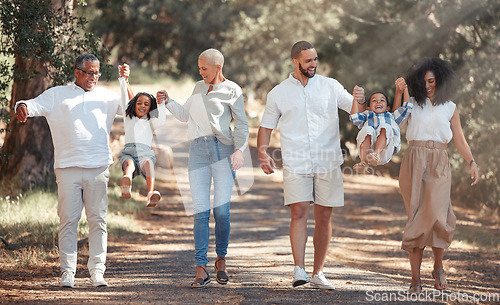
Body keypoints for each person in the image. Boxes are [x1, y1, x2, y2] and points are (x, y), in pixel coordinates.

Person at [15, 54, 131, 288]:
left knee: (98, 221)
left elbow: (132, 109)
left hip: (98, 167)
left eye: (97, 73)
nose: (94, 77)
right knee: (68, 221)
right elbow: (31, 104)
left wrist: (125, 82)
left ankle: (97, 272)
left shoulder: (107, 97)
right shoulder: (57, 94)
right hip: (67, 168)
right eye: (89, 72)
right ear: (77, 72)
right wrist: (22, 107)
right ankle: (67, 272)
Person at [257, 41, 364, 290]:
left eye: (315, 59)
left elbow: (355, 110)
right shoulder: (278, 93)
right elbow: (266, 128)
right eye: (308, 61)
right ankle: (299, 270)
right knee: (299, 212)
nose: (313, 64)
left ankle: (318, 273)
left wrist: (361, 99)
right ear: (296, 61)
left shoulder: (331, 86)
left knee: (324, 217)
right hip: (296, 160)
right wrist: (263, 153)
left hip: (328, 160)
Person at [156, 48, 249, 289]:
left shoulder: (232, 90)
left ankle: (221, 261)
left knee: (222, 212)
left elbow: (241, 125)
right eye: (199, 69)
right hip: (198, 151)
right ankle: (200, 269)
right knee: (200, 211)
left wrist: (239, 150)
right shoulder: (198, 87)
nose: (201, 72)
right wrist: (167, 101)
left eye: (204, 68)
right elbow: (185, 115)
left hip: (223, 152)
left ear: (218, 67)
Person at [399, 58, 479, 294]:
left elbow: (460, 139)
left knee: (439, 216)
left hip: (440, 161)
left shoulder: (451, 107)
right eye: (423, 82)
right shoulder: (412, 103)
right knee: (416, 218)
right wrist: (399, 93)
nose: (427, 86)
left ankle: (438, 268)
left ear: (440, 81)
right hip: (414, 159)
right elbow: (397, 124)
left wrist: (472, 162)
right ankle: (415, 279)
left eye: (431, 81)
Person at [349, 78, 412, 174]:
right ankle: (363, 162)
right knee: (367, 129)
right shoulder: (367, 115)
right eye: (374, 100)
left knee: (385, 126)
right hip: (368, 152)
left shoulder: (392, 117)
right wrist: (355, 99)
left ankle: (376, 154)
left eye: (382, 100)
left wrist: (405, 89)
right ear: (369, 108)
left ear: (388, 108)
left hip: (385, 150)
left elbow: (407, 107)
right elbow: (354, 118)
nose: (378, 102)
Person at [117, 84, 166, 207]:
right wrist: (124, 81)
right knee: (129, 164)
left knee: (149, 164)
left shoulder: (151, 121)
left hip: (145, 153)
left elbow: (162, 121)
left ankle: (150, 194)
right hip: (129, 151)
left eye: (146, 104)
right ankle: (126, 183)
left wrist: (161, 104)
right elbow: (125, 98)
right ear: (133, 105)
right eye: (139, 103)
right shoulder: (128, 117)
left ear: (150, 108)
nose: (142, 106)